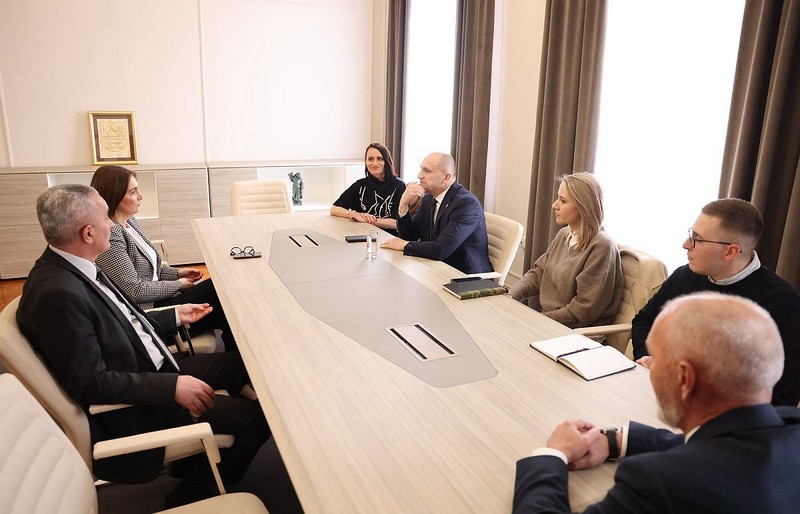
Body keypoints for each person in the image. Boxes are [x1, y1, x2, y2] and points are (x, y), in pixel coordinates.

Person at [16, 184, 270, 508]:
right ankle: (191, 493)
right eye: (105, 219)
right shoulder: (58, 294)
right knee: (259, 419)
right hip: (142, 398)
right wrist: (172, 388)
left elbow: (121, 321)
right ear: (88, 233)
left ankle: (190, 460)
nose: (112, 225)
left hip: (152, 367)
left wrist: (175, 315)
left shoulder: (74, 264)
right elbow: (91, 383)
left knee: (244, 362)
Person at [513, 292, 800, 513]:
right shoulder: (790, 425)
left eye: (656, 359)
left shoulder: (658, 481)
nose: (647, 365)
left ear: (685, 378)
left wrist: (552, 455)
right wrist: (615, 441)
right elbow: (721, 445)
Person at [631, 198, 800, 406]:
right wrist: (653, 361)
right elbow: (644, 321)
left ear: (730, 252)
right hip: (662, 396)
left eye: (697, 239)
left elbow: (783, 395)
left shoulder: (783, 303)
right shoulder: (684, 276)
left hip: (725, 417)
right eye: (690, 234)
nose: (686, 244)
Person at [90, 165, 236, 351]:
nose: (140, 196)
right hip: (151, 315)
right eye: (133, 192)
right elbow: (133, 290)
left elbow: (151, 270)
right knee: (220, 295)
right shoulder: (112, 235)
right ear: (114, 196)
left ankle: (236, 355)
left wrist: (177, 273)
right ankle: (237, 359)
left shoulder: (130, 222)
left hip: (162, 299)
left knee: (224, 296)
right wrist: (178, 284)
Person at [508, 173, 623, 328]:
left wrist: (536, 321)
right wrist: (511, 295)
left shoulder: (602, 246)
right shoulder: (564, 234)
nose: (554, 205)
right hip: (551, 323)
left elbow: (583, 311)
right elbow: (539, 274)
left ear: (583, 206)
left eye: (563, 201)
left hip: (575, 332)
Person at [380, 152, 493, 274]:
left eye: (427, 171)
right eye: (421, 169)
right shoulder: (429, 199)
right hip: (436, 268)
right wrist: (403, 205)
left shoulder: (466, 204)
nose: (419, 175)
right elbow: (408, 236)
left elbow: (440, 250)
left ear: (446, 177)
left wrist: (404, 245)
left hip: (465, 276)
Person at [330, 142, 406, 234]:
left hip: (389, 237)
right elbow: (334, 209)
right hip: (362, 233)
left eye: (379, 159)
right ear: (366, 162)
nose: (374, 163)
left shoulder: (399, 186)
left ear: (386, 161)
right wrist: (353, 214)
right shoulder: (360, 185)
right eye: (370, 159)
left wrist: (366, 220)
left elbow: (397, 223)